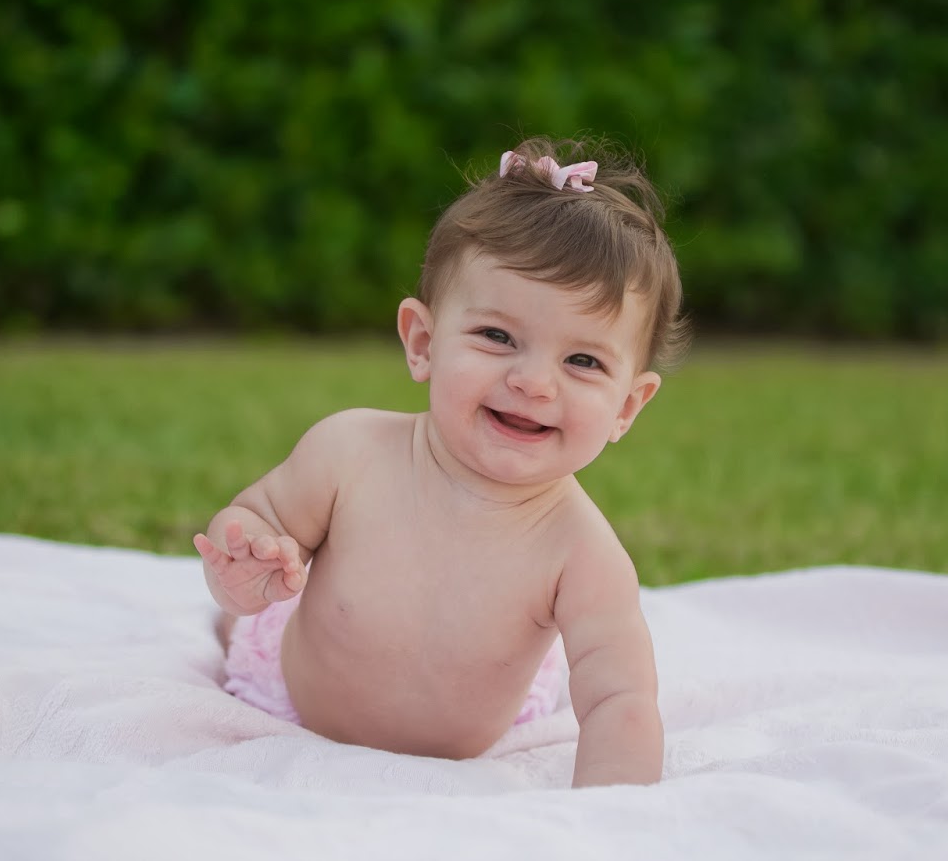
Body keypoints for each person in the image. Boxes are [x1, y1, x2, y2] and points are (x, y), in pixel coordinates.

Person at [194, 137, 689, 787]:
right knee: (244, 620)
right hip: (293, 694)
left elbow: (620, 698)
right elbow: (257, 515)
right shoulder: (350, 453)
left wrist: (612, 816)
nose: (534, 382)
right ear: (424, 342)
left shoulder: (582, 554)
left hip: (475, 738)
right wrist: (246, 565)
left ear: (626, 405)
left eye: (583, 361)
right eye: (497, 336)